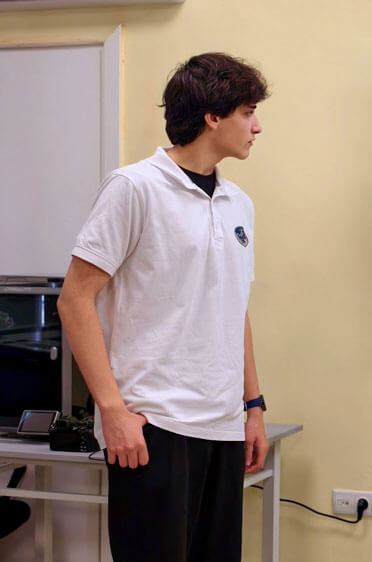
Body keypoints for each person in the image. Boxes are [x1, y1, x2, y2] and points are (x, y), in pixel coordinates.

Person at [57, 52, 270, 562]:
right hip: (154, 427)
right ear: (212, 117)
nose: (257, 126)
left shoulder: (239, 204)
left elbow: (233, 307)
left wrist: (254, 407)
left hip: (223, 426)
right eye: (247, 112)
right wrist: (113, 412)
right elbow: (74, 300)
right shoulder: (133, 188)